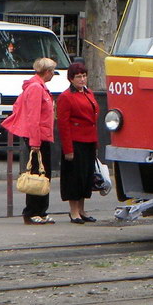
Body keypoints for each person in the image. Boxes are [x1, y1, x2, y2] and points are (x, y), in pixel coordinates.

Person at [1, 57, 57, 225]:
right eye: (53, 71)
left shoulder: (39, 87)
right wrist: (35, 141)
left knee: (43, 173)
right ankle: (32, 211)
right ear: (47, 72)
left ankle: (41, 210)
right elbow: (33, 116)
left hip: (42, 135)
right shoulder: (35, 88)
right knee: (37, 174)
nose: (53, 74)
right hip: (38, 137)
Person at [57, 62, 100, 224]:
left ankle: (82, 210)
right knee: (74, 177)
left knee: (86, 177)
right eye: (78, 77)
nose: (82, 79)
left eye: (84, 76)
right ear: (71, 79)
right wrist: (68, 149)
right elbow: (63, 124)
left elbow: (93, 118)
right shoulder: (66, 97)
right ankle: (73, 211)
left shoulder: (89, 93)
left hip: (89, 140)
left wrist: (95, 143)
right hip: (75, 142)